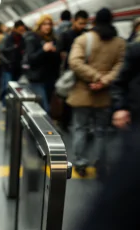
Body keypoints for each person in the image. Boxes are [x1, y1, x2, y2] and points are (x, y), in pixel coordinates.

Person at [77, 41, 140, 230]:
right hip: (131, 117)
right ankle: (98, 163)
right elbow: (121, 76)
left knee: (83, 128)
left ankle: (85, 161)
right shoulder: (131, 48)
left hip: (90, 92)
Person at [67, 8, 125, 177]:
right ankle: (100, 162)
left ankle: (80, 162)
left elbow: (74, 62)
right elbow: (121, 65)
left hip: (83, 93)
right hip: (104, 95)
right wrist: (104, 81)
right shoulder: (120, 43)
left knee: (80, 128)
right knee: (101, 130)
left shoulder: (83, 40)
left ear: (94, 21)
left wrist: (95, 78)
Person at [57, 10, 89, 132]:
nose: (82, 26)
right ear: (74, 21)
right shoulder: (66, 35)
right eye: (80, 23)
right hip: (69, 71)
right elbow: (60, 52)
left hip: (82, 71)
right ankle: (64, 122)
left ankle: (75, 122)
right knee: (67, 98)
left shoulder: (87, 35)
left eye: (84, 23)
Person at [25, 14, 61, 112]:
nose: (47, 26)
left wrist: (56, 52)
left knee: (47, 105)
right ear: (40, 25)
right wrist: (43, 50)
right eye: (45, 24)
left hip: (50, 78)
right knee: (44, 108)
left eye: (49, 24)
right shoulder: (32, 38)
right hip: (37, 78)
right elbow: (31, 59)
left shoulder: (54, 39)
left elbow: (57, 61)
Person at [0, 20, 26, 108]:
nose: (21, 32)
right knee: (7, 86)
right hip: (8, 66)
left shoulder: (22, 39)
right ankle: (4, 104)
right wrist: (13, 48)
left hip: (18, 66)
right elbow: (2, 50)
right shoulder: (8, 38)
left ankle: (12, 104)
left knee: (15, 86)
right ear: (15, 29)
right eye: (20, 30)